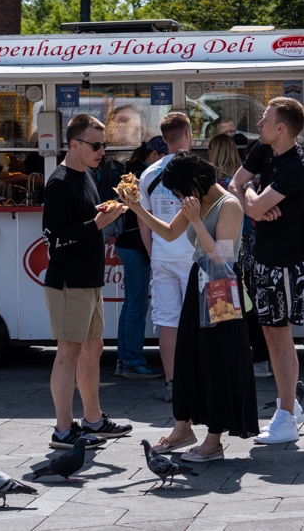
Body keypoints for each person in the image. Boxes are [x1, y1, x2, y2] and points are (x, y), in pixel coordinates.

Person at [121, 153, 258, 460]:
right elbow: (169, 232)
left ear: (193, 181)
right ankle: (183, 426)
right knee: (188, 357)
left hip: (221, 288)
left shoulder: (229, 205)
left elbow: (221, 257)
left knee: (216, 361)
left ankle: (214, 440)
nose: (179, 197)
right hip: (200, 281)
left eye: (179, 190)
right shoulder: (196, 200)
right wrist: (137, 209)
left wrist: (196, 219)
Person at [41, 113, 132, 447]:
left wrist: (108, 212)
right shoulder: (60, 182)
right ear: (75, 144)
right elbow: (53, 236)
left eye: (105, 144)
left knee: (94, 347)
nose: (102, 151)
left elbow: (88, 217)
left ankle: (92, 420)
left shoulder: (88, 175)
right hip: (68, 282)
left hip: (89, 279)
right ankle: (63, 431)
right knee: (68, 353)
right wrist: (97, 223)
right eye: (96, 145)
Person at [228, 96, 304, 445]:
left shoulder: (298, 165)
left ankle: (287, 416)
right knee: (270, 335)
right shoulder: (262, 151)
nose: (259, 123)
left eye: (265, 119)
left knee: (280, 337)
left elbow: (251, 204)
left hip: (284, 263)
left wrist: (255, 202)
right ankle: (288, 407)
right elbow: (234, 186)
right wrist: (254, 198)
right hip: (260, 258)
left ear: (282, 127)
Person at [139, 112, 196, 403]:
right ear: (188, 134)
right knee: (199, 320)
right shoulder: (199, 169)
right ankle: (198, 380)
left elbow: (144, 224)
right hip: (194, 257)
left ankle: (173, 382)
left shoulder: (148, 174)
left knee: (167, 322)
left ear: (163, 139)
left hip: (162, 257)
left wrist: (154, 255)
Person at [209, 133, 269, 374]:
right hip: (250, 246)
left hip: (225, 249)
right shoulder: (243, 181)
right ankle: (261, 358)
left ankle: (229, 358)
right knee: (250, 302)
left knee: (224, 302)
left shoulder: (213, 187)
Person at [113, 138, 165, 380]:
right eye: (162, 155)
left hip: (126, 243)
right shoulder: (145, 176)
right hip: (137, 246)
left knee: (131, 305)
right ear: (154, 153)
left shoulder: (130, 173)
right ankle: (132, 361)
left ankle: (124, 360)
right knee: (137, 305)